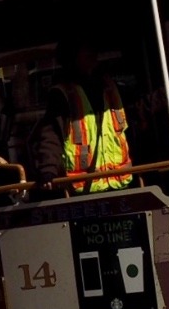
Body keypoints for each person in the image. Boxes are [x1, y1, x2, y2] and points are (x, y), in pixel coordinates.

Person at [34, 36, 134, 194]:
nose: (93, 53)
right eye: (86, 49)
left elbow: (136, 109)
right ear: (72, 56)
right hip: (84, 192)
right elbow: (51, 135)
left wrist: (168, 92)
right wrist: (48, 170)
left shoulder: (109, 86)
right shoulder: (62, 94)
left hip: (119, 184)